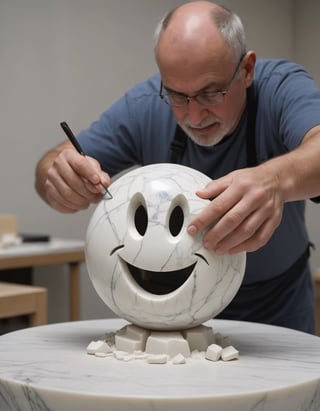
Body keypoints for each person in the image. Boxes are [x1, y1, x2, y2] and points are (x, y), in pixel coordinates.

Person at [35, 1, 320, 334]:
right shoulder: (146, 105)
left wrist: (274, 180)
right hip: (173, 315)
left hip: (275, 307)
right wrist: (58, 176)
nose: (193, 116)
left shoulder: (281, 89)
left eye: (210, 93)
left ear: (246, 70)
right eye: (177, 95)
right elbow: (54, 162)